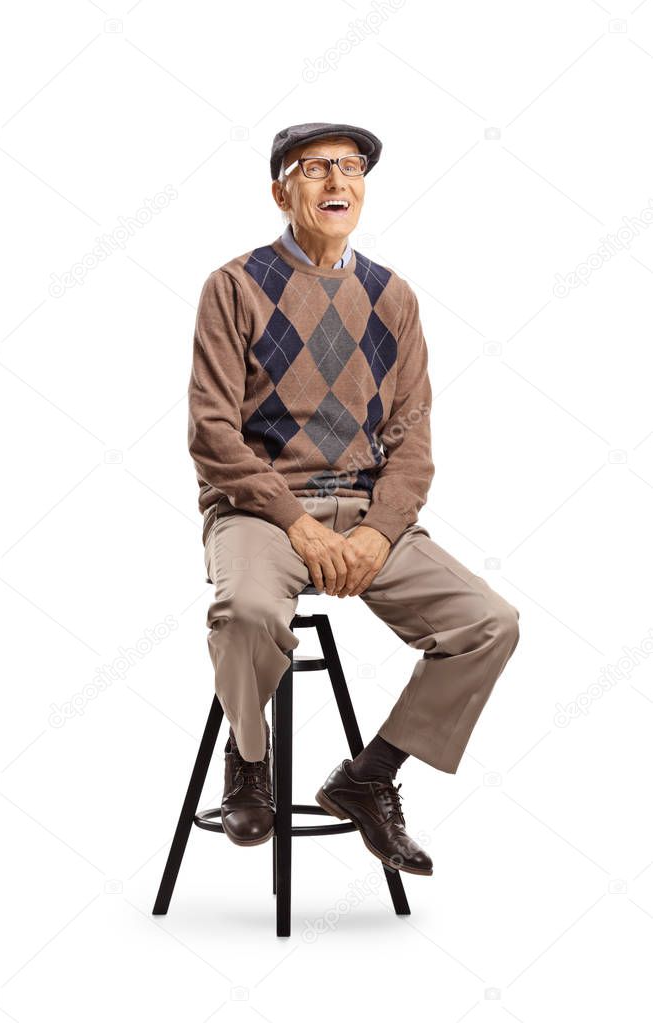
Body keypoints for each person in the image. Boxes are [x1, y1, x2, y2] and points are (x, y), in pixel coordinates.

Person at [187, 121, 520, 875]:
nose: (337, 182)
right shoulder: (235, 286)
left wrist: (377, 531)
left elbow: (412, 440)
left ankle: (369, 777)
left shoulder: (390, 297)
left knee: (489, 623)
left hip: (368, 516)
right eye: (315, 169)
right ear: (281, 191)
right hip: (262, 513)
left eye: (351, 167)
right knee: (244, 613)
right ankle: (248, 758)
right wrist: (299, 525)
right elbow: (213, 435)